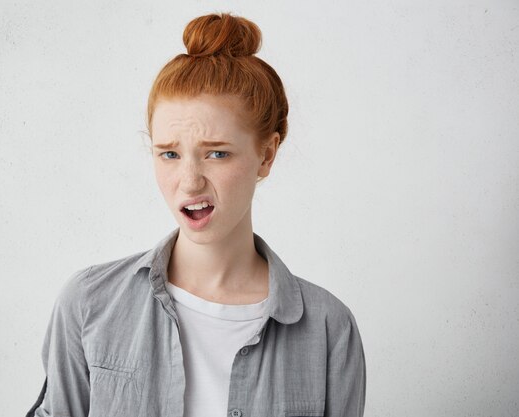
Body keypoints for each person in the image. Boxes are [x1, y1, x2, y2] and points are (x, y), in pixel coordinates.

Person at [27, 12, 366, 417]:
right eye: (169, 153)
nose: (189, 182)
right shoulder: (88, 303)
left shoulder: (329, 330)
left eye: (217, 153)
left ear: (267, 154)